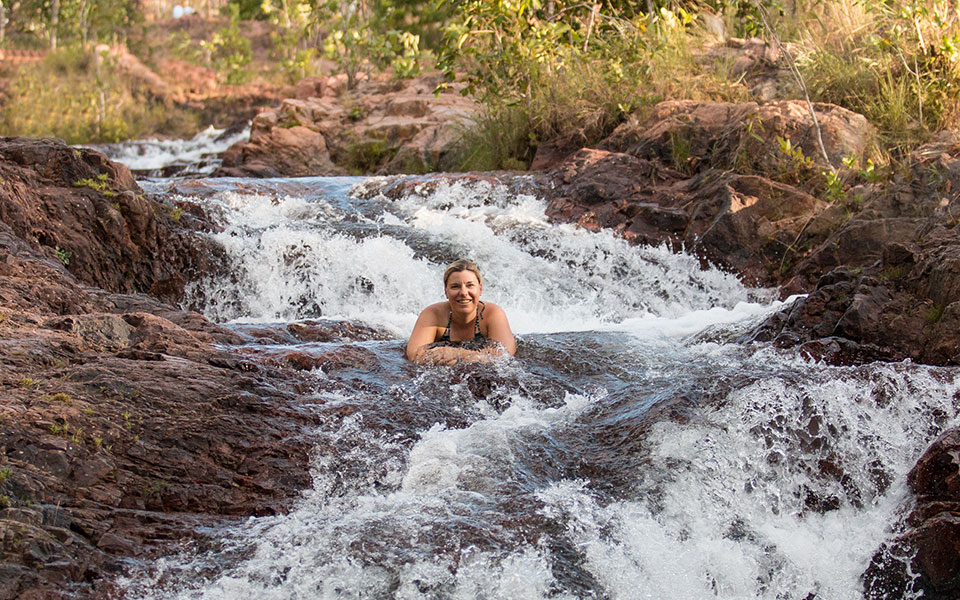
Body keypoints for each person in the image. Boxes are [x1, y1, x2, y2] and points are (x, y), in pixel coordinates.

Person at [406, 259, 516, 365]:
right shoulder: (433, 314)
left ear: (480, 289)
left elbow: (505, 354)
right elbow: (414, 355)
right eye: (455, 286)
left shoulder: (492, 313)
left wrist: (456, 353)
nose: (463, 292)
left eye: (470, 285)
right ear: (446, 291)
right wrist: (473, 357)